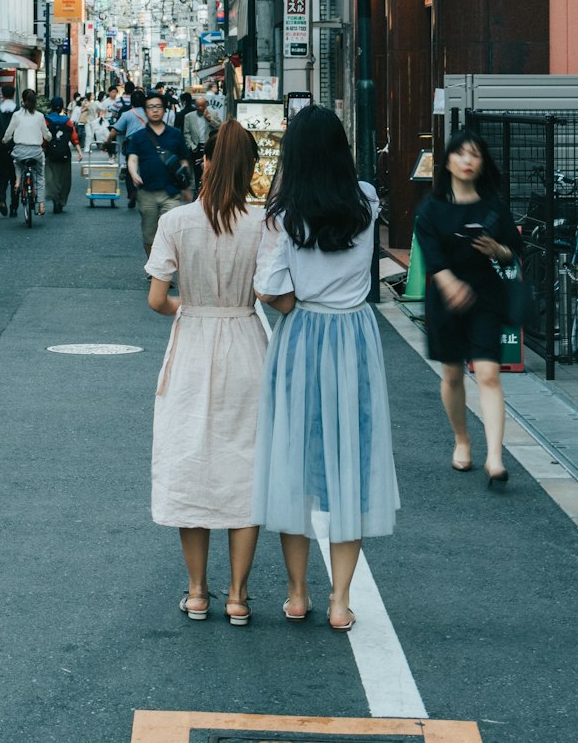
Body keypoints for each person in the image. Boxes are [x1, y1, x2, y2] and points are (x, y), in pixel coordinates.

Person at [253, 106, 399, 632]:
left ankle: (297, 594)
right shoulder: (365, 198)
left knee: (294, 462)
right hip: (355, 337)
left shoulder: (284, 213)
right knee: (352, 469)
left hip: (303, 338)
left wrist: (297, 307)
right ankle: (341, 600)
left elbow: (268, 287)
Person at [146, 120, 265, 626]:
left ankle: (197, 592)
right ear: (251, 171)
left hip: (193, 342)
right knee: (245, 468)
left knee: (190, 460)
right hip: (247, 343)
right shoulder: (264, 224)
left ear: (206, 163)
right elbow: (269, 294)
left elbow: (157, 299)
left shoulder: (176, 222)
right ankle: (238, 596)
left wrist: (189, 307)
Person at [413, 128, 523, 487]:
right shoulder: (431, 209)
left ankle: (495, 456)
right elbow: (431, 256)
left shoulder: (493, 207)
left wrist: (498, 251)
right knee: (453, 374)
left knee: (489, 373)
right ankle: (462, 439)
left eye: (475, 155)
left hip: (486, 297)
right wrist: (450, 283)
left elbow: (514, 251)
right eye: (461, 154)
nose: (468, 160)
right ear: (448, 161)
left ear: (482, 163)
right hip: (446, 300)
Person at [124, 91, 191, 260]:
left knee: (171, 233)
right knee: (149, 235)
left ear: (164, 110)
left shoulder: (175, 134)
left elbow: (184, 161)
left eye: (158, 107)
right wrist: (133, 173)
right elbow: (132, 159)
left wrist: (186, 185)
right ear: (145, 111)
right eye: (151, 107)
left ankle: (164, 269)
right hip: (147, 193)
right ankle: (154, 265)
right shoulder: (138, 137)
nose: (155, 110)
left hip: (172, 193)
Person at [4, 88, 50, 216]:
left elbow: (9, 132)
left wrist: (4, 139)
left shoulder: (16, 115)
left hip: (20, 150)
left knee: (17, 162)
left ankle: (18, 181)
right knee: (40, 175)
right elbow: (46, 135)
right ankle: (41, 204)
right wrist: (49, 137)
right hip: (35, 151)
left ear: (22, 100)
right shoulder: (40, 116)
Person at [44, 96, 82, 213]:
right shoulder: (67, 121)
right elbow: (74, 138)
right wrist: (79, 151)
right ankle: (61, 200)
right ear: (62, 107)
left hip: (51, 154)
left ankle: (54, 196)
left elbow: (43, 138)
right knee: (64, 179)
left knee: (51, 177)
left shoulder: (46, 120)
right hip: (65, 153)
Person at [111, 88, 146, 208]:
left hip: (132, 143)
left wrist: (107, 141)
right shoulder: (150, 113)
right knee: (146, 168)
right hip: (147, 143)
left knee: (131, 168)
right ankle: (145, 193)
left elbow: (115, 130)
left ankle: (132, 192)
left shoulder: (127, 114)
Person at [183, 93, 221, 191]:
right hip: (196, 146)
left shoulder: (213, 114)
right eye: (198, 106)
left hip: (209, 145)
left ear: (206, 105)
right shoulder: (189, 117)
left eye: (202, 106)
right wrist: (191, 145)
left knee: (210, 169)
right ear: (195, 106)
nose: (200, 108)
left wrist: (210, 120)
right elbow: (186, 133)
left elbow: (220, 128)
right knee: (196, 171)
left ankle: (208, 188)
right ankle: (197, 190)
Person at [0, 84, 18, 217]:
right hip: (16, 148)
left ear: (2, 94)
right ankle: (14, 207)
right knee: (15, 178)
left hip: (1, 148)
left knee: (3, 177)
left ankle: (2, 199)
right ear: (14, 95)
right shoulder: (18, 110)